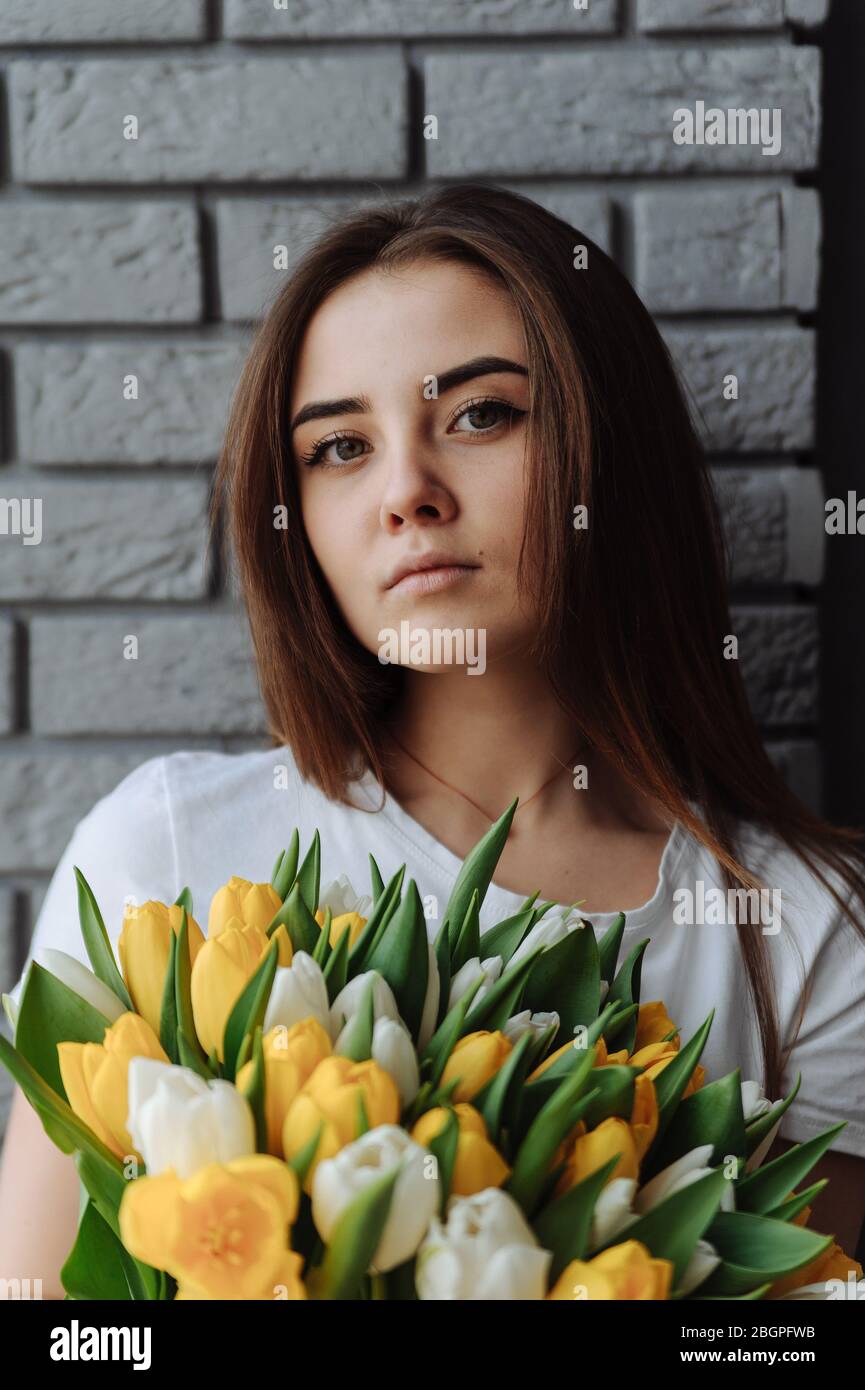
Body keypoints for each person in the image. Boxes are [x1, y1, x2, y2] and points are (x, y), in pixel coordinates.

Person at [1, 184, 864, 1297]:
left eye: (479, 415)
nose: (405, 492)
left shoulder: (803, 929)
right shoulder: (169, 853)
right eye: (340, 447)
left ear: (611, 443)